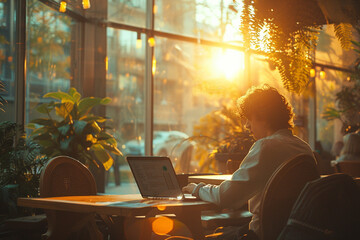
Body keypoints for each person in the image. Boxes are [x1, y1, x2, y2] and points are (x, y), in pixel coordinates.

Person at [182, 85, 315, 239]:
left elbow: (226, 197)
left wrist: (196, 189)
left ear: (263, 117)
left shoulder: (266, 146)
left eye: (249, 118)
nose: (247, 126)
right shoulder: (304, 148)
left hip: (261, 235)